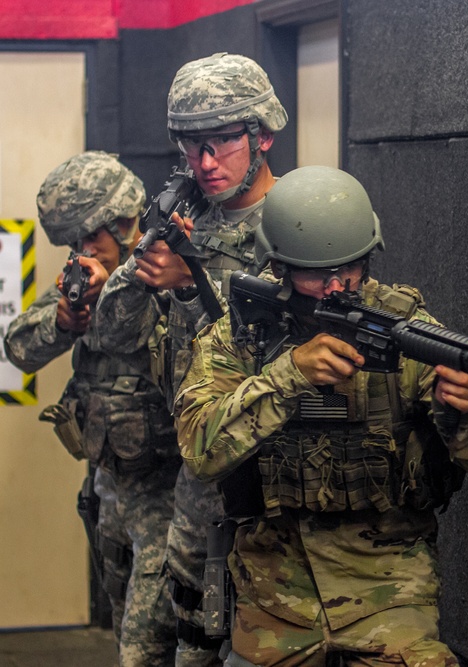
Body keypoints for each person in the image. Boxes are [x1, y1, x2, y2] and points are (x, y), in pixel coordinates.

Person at [173, 165, 468, 666]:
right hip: (272, 596)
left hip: (390, 590)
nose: (335, 287)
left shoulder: (407, 329)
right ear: (279, 267)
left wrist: (460, 410)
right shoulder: (240, 335)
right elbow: (199, 453)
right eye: (316, 273)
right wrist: (287, 375)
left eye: (349, 270)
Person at [94, 52, 287, 666]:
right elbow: (113, 332)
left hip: (272, 490)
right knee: (167, 647)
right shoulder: (186, 214)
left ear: (263, 136)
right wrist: (145, 268)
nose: (204, 163)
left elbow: (283, 348)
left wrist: (189, 284)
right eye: (190, 145)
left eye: (222, 142)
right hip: (193, 482)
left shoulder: (300, 220)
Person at [4, 151, 179, 666]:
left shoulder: (162, 273)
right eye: (74, 242)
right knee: (126, 627)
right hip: (107, 483)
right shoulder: (82, 276)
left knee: (147, 647)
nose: (82, 250)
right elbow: (18, 347)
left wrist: (118, 295)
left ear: (124, 222)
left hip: (164, 492)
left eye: (90, 237)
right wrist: (64, 322)